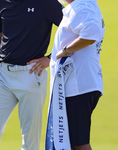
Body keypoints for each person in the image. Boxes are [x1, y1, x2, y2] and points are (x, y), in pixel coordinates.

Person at [0, 0, 64, 149]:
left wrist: (50, 59)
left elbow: (72, 29)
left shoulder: (46, 2)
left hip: (31, 75)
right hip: (3, 76)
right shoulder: (3, 1)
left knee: (30, 139)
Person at [46, 0, 105, 150]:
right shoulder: (82, 5)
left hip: (78, 85)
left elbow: (92, 32)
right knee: (72, 142)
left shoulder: (82, 5)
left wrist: (66, 51)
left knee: (78, 143)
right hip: (78, 84)